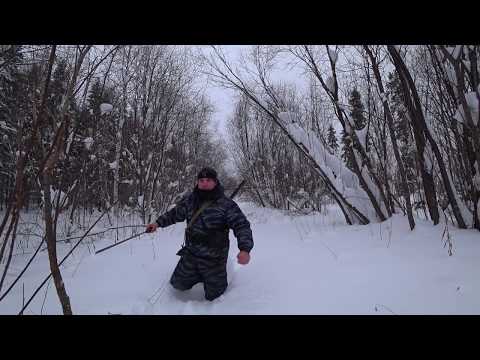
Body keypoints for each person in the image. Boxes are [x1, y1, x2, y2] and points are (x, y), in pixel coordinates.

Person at [146, 167, 253, 301]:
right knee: (177, 285)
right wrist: (157, 223)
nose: (204, 183)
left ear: (215, 182)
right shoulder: (190, 200)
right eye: (201, 180)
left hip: (214, 259)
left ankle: (225, 273)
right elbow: (174, 214)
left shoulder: (226, 205)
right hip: (191, 254)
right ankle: (197, 276)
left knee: (215, 297)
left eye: (208, 180)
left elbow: (242, 226)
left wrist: (245, 249)